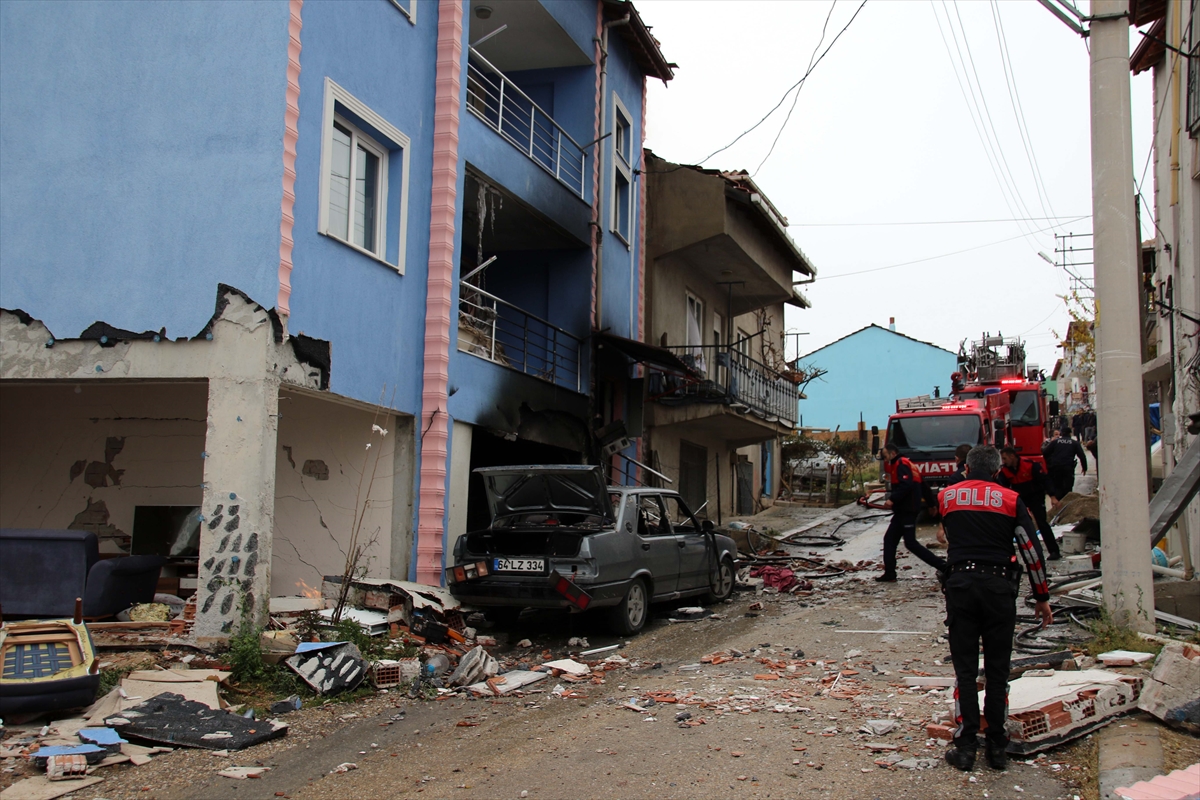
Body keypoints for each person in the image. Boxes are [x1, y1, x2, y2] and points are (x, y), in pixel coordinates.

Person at [938, 445, 1053, 772]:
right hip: (1000, 589)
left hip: (960, 587)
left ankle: (965, 747)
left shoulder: (947, 496)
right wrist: (1041, 596)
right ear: (996, 469)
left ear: (966, 466)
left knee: (965, 669)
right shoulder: (1011, 499)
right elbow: (1031, 550)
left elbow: (949, 535)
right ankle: (997, 748)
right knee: (998, 669)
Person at [874, 443, 947, 582]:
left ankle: (943, 566)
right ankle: (889, 573)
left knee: (911, 543)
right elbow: (922, 484)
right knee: (889, 540)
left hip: (907, 510)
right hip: (903, 511)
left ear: (893, 453)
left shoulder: (901, 464)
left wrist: (892, 500)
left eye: (885, 456)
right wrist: (932, 504)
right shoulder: (909, 464)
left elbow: (906, 485)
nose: (885, 459)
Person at [997, 446, 1061, 560]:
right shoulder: (1005, 471)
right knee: (1017, 525)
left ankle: (1054, 551)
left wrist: (1053, 496)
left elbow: (1045, 480)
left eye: (1005, 458)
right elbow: (1002, 487)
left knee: (1042, 523)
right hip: (1020, 498)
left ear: (1012, 456)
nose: (1004, 461)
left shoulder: (1030, 465)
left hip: (1036, 497)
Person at [1042, 426, 1089, 498]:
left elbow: (1045, 452)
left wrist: (1050, 463)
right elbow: (1082, 456)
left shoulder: (1055, 442)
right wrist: (1084, 468)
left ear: (1061, 433)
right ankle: (1066, 504)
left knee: (1057, 487)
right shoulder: (1074, 443)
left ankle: (1058, 504)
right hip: (1068, 468)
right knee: (1068, 488)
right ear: (1070, 433)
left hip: (1056, 467)